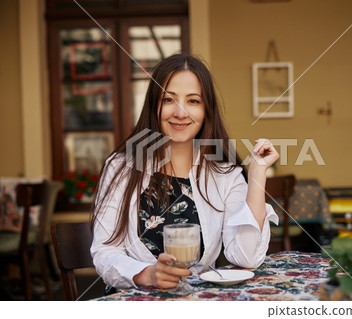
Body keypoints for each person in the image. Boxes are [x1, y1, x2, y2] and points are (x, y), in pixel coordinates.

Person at [91, 53, 279, 290]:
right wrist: (146, 275)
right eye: (168, 99)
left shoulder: (224, 174)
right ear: (153, 105)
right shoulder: (120, 168)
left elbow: (247, 257)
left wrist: (257, 176)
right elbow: (104, 251)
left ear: (206, 110)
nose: (181, 113)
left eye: (193, 101)